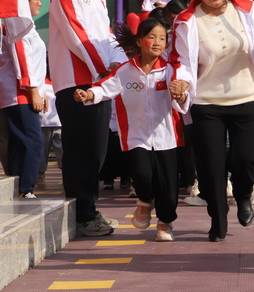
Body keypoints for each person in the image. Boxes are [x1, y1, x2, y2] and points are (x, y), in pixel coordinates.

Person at [171, 0, 254, 242]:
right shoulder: (185, 22)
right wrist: (181, 82)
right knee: (211, 167)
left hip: (246, 98)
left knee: (247, 159)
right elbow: (181, 61)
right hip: (207, 103)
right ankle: (218, 219)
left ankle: (242, 195)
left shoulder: (249, 11)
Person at [74, 18, 189, 242]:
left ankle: (165, 223)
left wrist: (181, 93)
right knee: (141, 175)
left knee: (168, 186)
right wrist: (87, 94)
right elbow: (104, 88)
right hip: (136, 137)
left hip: (167, 137)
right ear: (139, 41)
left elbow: (184, 98)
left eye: (163, 39)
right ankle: (145, 201)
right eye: (152, 37)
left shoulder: (171, 71)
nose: (157, 42)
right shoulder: (125, 72)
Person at [49, 0, 127, 236]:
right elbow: (75, 34)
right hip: (77, 81)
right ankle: (82, 215)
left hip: (99, 83)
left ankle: (88, 209)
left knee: (97, 150)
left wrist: (120, 64)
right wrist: (103, 70)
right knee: (82, 150)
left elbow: (106, 35)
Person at [0, 0, 46, 199]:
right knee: (33, 140)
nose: (40, 2)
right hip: (20, 92)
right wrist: (33, 90)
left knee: (21, 141)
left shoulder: (23, 24)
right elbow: (23, 60)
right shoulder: (17, 23)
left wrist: (40, 90)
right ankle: (25, 188)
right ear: (24, 1)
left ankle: (18, 187)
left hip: (23, 91)